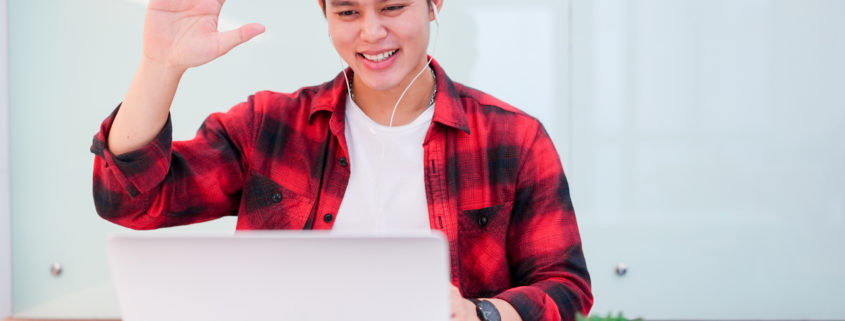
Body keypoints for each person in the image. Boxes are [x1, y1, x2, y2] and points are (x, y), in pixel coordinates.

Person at [90, 0, 593, 320]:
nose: (371, 33)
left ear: (434, 4)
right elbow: (131, 201)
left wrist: (478, 313)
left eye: (392, 7)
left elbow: (566, 288)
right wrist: (161, 65)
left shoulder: (513, 138)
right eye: (348, 12)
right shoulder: (271, 125)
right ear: (325, 14)